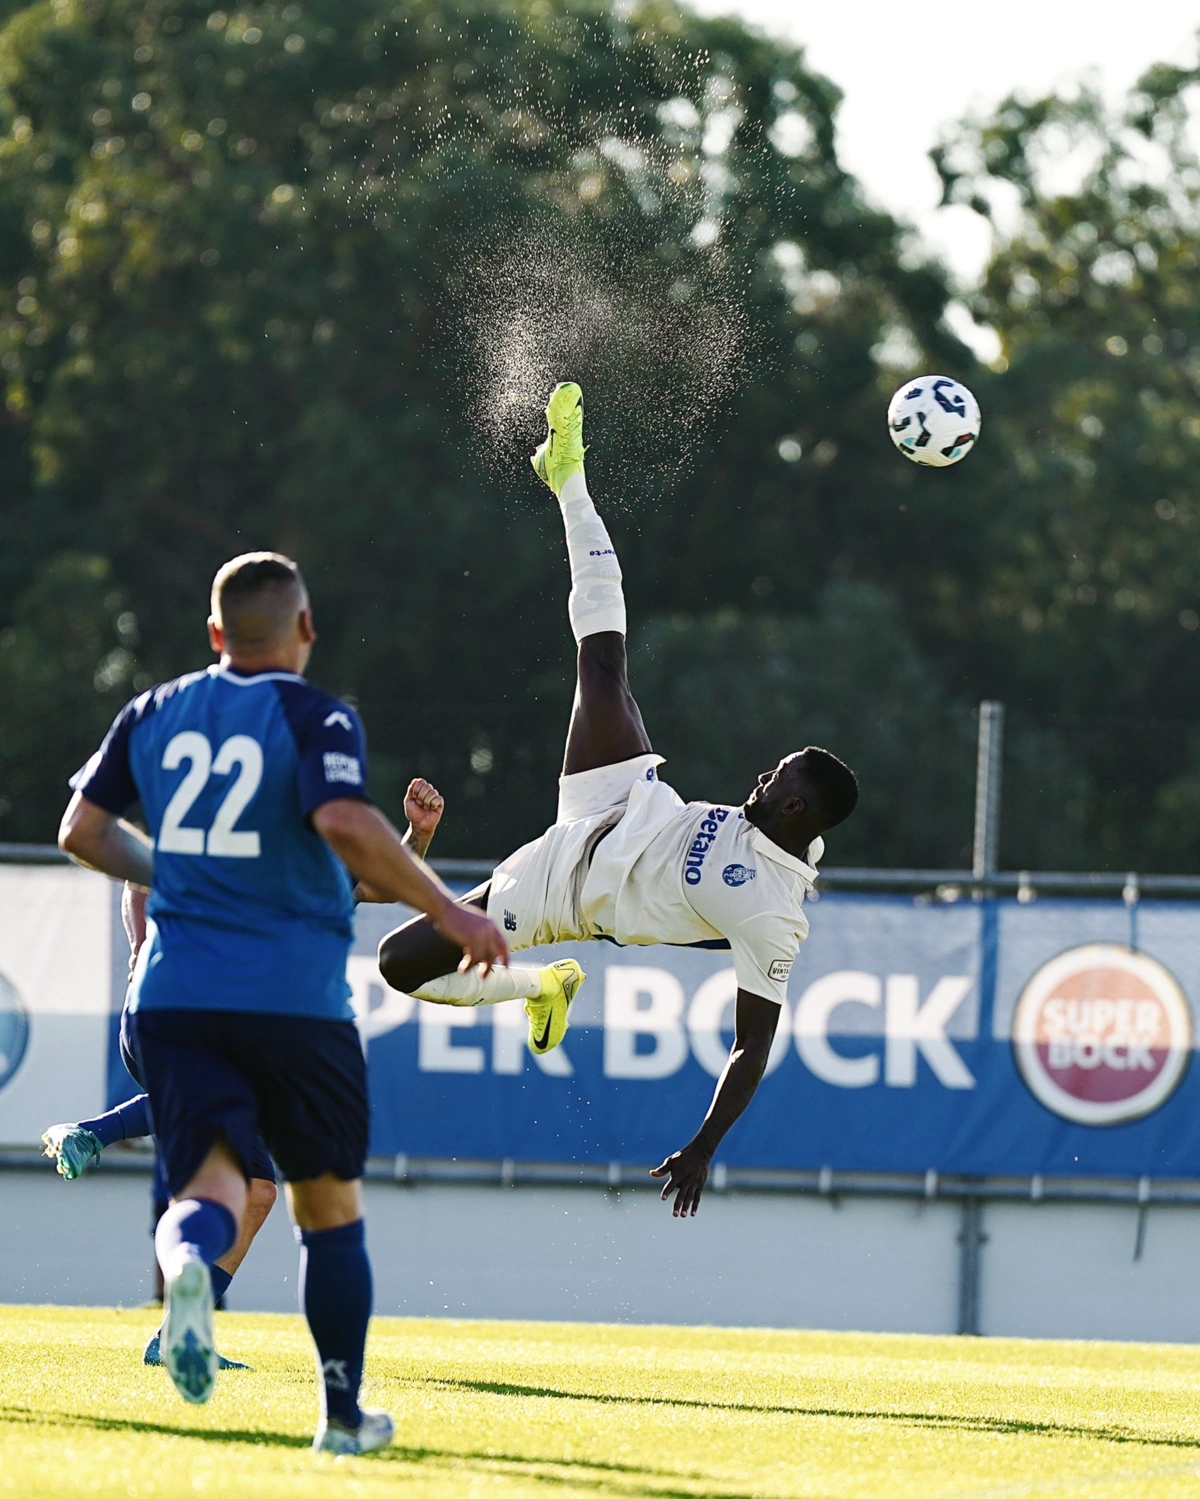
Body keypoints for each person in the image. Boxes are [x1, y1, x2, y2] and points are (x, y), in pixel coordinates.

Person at [58, 552, 506, 1453]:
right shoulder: (316, 715)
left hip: (176, 994)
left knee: (216, 1187)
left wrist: (176, 871)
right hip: (293, 1000)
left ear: (214, 633)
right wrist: (450, 909)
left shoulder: (152, 710)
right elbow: (343, 824)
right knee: (325, 1209)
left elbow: (81, 829)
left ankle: (189, 1271)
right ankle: (340, 1417)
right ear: (305, 628)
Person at [377, 383, 859, 1219]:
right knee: (602, 662)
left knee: (398, 964)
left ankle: (540, 986)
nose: (762, 778)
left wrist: (703, 1145)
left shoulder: (774, 911)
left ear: (795, 810)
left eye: (776, 779)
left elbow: (752, 1045)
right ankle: (567, 473)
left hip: (563, 893)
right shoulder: (772, 830)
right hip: (629, 800)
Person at [41, 778, 447, 1366]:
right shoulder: (245, 850)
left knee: (257, 1191)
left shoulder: (305, 869)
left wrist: (417, 835)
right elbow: (139, 872)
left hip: (198, 1027)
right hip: (181, 1018)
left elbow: (383, 881)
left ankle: (178, 1335)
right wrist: (139, 947)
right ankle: (91, 1132)